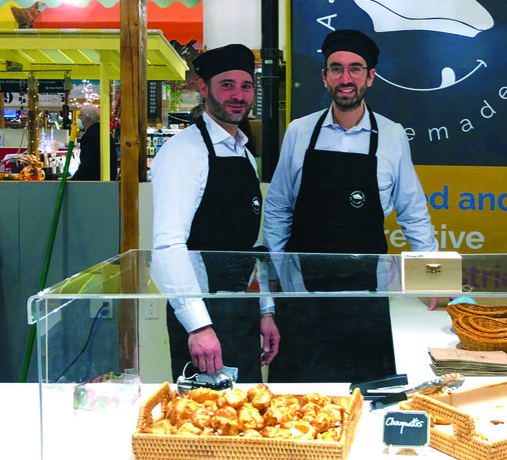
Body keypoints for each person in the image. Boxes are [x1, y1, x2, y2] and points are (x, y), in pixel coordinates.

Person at [262, 28, 438, 383]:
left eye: (355, 69)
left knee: (368, 394)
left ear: (370, 77)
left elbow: (413, 210)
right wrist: (280, 278)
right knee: (297, 399)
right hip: (303, 294)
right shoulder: (299, 131)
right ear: (323, 76)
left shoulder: (391, 135)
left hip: (365, 292)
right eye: (336, 68)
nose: (346, 78)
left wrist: (430, 274)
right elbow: (277, 209)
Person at [150, 42, 279, 382]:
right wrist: (199, 325)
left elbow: (252, 249)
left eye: (246, 86)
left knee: (248, 414)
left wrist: (264, 311)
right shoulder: (182, 152)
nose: (238, 95)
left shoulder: (244, 154)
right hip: (201, 318)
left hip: (241, 313)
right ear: (203, 87)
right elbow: (168, 247)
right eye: (227, 85)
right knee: (203, 422)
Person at [70, 104, 118, 181]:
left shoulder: (92, 136)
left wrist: (74, 181)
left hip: (94, 183)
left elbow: (88, 165)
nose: (78, 120)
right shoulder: (102, 133)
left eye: (80, 116)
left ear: (87, 118)